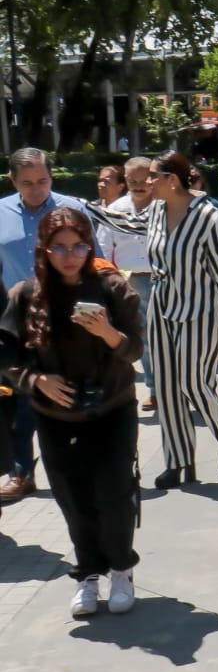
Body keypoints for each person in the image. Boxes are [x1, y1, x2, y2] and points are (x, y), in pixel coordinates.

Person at [0, 209, 143, 617]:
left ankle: (120, 568)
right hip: (56, 415)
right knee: (73, 499)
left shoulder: (112, 287)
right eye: (59, 247)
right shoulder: (28, 294)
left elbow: (135, 349)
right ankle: (87, 575)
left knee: (114, 495)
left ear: (90, 245)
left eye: (78, 245)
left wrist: (107, 332)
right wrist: (37, 382)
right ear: (44, 249)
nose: (69, 255)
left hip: (113, 407)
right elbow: (6, 357)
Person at [84, 151, 218, 489]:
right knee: (167, 387)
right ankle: (178, 461)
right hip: (160, 308)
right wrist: (90, 209)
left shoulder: (207, 216)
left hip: (197, 311)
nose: (147, 183)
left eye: (154, 176)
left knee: (192, 382)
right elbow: (131, 225)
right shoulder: (157, 210)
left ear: (172, 180)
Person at [0, 148, 93, 502]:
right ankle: (20, 471)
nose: (37, 189)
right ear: (12, 181)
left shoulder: (73, 210)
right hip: (18, 316)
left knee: (70, 392)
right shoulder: (0, 213)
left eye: (43, 180)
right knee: (19, 396)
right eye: (27, 183)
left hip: (66, 314)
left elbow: (93, 259)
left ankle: (77, 467)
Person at [101, 157, 157, 410]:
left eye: (143, 179)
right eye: (131, 180)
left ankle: (184, 387)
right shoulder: (116, 209)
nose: (138, 185)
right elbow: (103, 249)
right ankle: (156, 390)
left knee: (176, 337)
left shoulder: (169, 206)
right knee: (142, 338)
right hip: (134, 281)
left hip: (170, 279)